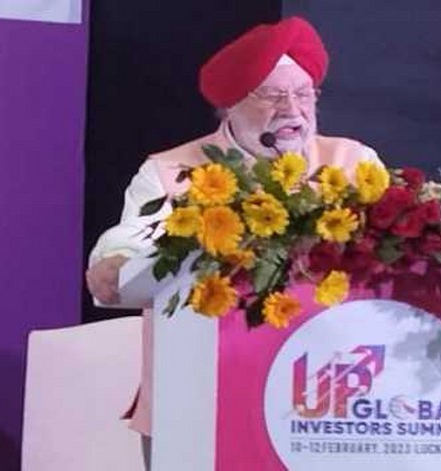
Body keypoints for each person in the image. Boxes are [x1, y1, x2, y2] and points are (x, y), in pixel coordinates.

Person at [85, 16, 383, 468]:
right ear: (230, 106)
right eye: (272, 96)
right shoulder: (172, 171)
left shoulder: (353, 162)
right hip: (196, 401)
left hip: (329, 403)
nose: (293, 110)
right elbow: (130, 241)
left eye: (304, 94)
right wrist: (116, 259)